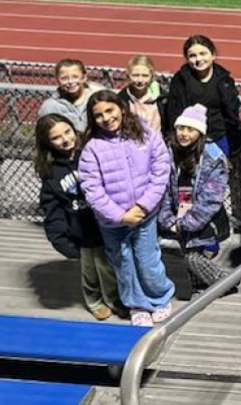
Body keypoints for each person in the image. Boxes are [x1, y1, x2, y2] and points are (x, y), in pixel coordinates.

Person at [77, 90, 177, 326]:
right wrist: (120, 215)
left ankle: (160, 298)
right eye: (98, 115)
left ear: (121, 108)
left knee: (147, 260)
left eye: (110, 110)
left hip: (145, 215)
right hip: (113, 222)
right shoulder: (92, 148)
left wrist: (143, 206)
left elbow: (160, 169)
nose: (106, 118)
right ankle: (137, 304)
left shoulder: (146, 134)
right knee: (124, 264)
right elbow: (92, 189)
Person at [33, 113, 124, 322]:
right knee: (89, 270)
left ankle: (115, 299)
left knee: (108, 267)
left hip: (105, 222)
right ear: (47, 143)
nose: (65, 139)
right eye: (56, 137)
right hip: (81, 229)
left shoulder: (91, 151)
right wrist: (59, 238)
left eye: (67, 131)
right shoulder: (51, 171)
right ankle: (94, 302)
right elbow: (52, 209)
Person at [160, 105, 235, 299]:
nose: (184, 134)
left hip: (202, 219)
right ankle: (199, 289)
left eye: (190, 129)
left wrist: (186, 224)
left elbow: (211, 198)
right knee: (189, 253)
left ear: (200, 132)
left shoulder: (213, 157)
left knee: (192, 256)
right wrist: (169, 219)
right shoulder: (169, 152)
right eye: (180, 128)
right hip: (180, 215)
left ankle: (225, 281)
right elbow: (165, 188)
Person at [162, 34, 241, 156]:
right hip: (191, 140)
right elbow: (174, 112)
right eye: (192, 55)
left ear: (213, 55)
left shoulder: (224, 80)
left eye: (203, 53)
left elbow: (231, 111)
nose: (198, 59)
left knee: (220, 173)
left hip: (219, 138)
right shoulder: (180, 80)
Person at [40, 58, 99, 132]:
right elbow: (44, 134)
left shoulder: (97, 95)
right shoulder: (50, 106)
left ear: (84, 77)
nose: (70, 82)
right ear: (57, 80)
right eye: (64, 78)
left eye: (75, 77)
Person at [117, 55, 166, 134]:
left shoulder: (163, 98)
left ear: (152, 76)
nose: (140, 80)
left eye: (145, 76)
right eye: (135, 75)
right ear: (128, 76)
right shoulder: (121, 100)